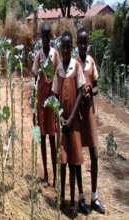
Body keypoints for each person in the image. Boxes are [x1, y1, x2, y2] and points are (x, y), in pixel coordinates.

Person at [52, 31, 85, 218]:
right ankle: (62, 199)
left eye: (68, 46)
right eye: (63, 47)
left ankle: (73, 201)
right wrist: (60, 116)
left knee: (74, 162)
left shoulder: (76, 67)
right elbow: (55, 96)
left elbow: (80, 93)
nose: (65, 50)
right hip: (62, 123)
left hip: (73, 123)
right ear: (60, 48)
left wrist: (71, 118)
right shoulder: (58, 70)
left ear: (71, 47)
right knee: (63, 162)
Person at [76, 27, 105, 214]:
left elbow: (96, 87)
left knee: (94, 155)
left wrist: (89, 92)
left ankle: (94, 196)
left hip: (89, 114)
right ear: (77, 43)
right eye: (81, 42)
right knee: (78, 157)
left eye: (86, 42)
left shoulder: (90, 62)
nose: (84, 45)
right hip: (77, 115)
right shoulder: (73, 63)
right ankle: (81, 197)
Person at [32, 22, 59, 187]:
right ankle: (46, 175)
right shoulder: (39, 55)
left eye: (47, 37)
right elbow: (35, 78)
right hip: (41, 101)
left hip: (52, 101)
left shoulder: (55, 55)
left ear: (50, 37)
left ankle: (55, 177)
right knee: (41, 137)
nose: (45, 40)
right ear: (41, 38)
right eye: (43, 37)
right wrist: (34, 107)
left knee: (52, 137)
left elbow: (58, 77)